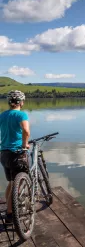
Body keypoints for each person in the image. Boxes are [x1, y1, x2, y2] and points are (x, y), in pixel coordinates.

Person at [0, 90, 30, 224]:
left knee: (11, 182)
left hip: (4, 153)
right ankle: (11, 214)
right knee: (18, 183)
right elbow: (26, 130)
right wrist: (25, 144)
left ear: (9, 102)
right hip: (17, 153)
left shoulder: (3, 115)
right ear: (21, 102)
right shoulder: (21, 115)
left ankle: (9, 208)